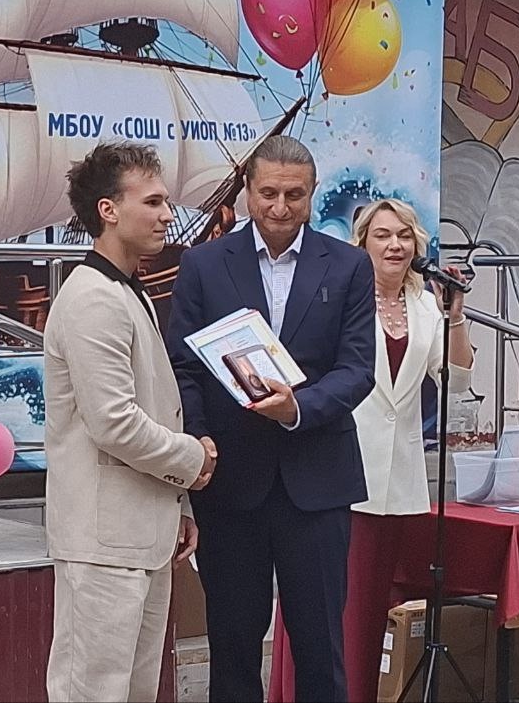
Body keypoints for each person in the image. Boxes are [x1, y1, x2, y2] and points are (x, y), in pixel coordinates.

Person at [166, 135, 376, 702]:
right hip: (231, 483)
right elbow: (182, 366)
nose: (280, 208)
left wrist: (298, 409)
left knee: (320, 647)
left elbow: (357, 369)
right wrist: (198, 440)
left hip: (318, 481)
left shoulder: (350, 266)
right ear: (248, 190)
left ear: (313, 193)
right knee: (233, 645)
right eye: (268, 194)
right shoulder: (204, 264)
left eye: (294, 195)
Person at [267, 198, 475, 702]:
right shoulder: (340, 297)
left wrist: (454, 317)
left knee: (366, 617)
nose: (395, 245)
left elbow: (457, 379)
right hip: (338, 473)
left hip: (395, 482)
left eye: (404, 235)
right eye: (383, 235)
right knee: (325, 607)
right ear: (362, 244)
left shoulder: (425, 307)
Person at [44, 141, 218, 702]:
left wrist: (179, 506)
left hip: (140, 534)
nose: (168, 214)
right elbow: (115, 423)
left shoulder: (126, 290)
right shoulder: (93, 298)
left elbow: (154, 407)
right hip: (103, 541)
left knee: (137, 691)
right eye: (153, 201)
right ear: (109, 210)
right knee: (93, 692)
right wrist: (194, 460)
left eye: (165, 201)